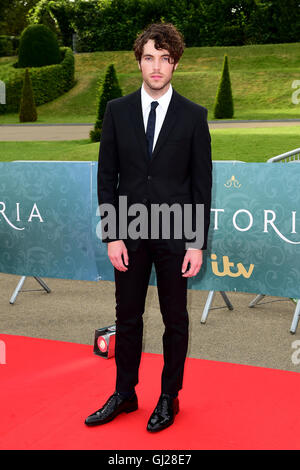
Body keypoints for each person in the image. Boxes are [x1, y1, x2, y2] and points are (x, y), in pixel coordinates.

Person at [85, 22, 212, 432]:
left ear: (175, 63)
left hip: (177, 234)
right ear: (139, 62)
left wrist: (196, 244)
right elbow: (107, 177)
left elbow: (201, 185)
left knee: (175, 318)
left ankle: (169, 396)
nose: (156, 66)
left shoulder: (194, 116)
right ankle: (125, 393)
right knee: (128, 317)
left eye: (165, 58)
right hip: (130, 232)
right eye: (149, 58)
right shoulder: (117, 111)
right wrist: (113, 234)